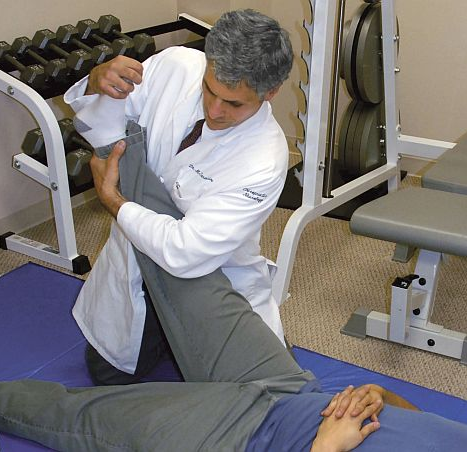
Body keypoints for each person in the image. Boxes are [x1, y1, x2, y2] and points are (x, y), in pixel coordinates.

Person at [0, 127, 467, 451]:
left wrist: (327, 445)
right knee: (187, 264)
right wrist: (379, 395)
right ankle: (114, 135)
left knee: (76, 416)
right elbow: (419, 419)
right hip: (292, 388)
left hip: (239, 437)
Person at [63, 9, 294, 385]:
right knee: (106, 375)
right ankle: (164, 338)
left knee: (266, 394)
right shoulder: (176, 66)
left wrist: (114, 202)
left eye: (234, 104)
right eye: (210, 89)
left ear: (270, 92)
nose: (214, 110)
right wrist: (95, 83)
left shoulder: (264, 159)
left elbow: (185, 253)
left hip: (210, 277)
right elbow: (101, 127)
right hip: (138, 260)